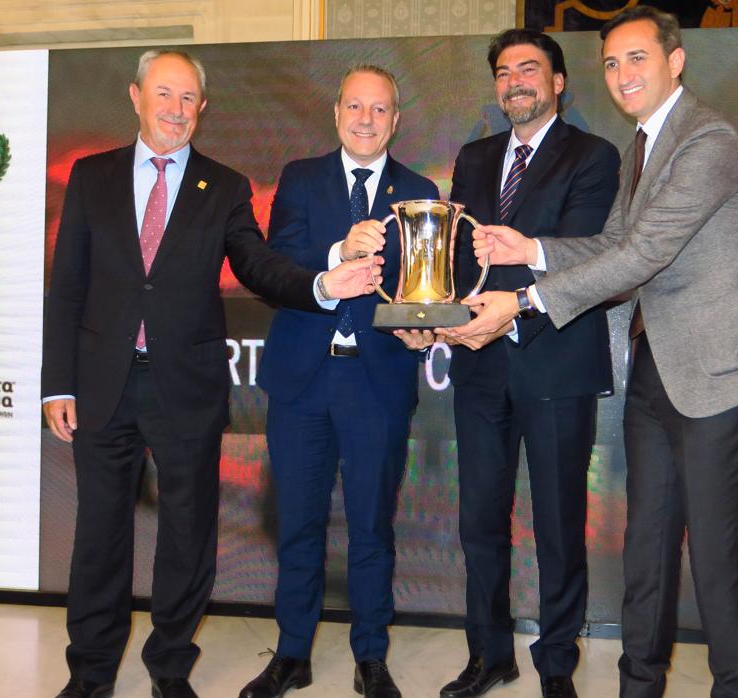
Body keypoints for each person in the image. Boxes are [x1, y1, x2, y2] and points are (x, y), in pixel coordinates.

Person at [458, 8, 738, 698]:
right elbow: (611, 242)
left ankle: (735, 685)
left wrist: (523, 300)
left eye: (635, 58)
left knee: (717, 557)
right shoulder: (642, 146)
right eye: (610, 63)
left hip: (720, 377)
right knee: (644, 548)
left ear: (675, 62)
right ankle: (638, 685)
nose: (621, 74)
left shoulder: (710, 140)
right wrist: (532, 250)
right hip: (654, 372)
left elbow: (642, 254)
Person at [41, 50, 382, 698]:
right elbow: (67, 289)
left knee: (188, 537)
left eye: (189, 98)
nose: (176, 109)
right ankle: (89, 675)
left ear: (203, 108)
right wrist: (57, 382)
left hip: (186, 388)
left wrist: (321, 283)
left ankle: (169, 668)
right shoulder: (91, 177)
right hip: (101, 385)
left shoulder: (222, 187)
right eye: (164, 94)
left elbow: (259, 266)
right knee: (98, 539)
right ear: (136, 95)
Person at [401, 28, 620, 698]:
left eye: (529, 68)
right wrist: (430, 322)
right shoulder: (473, 157)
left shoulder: (594, 155)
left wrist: (522, 265)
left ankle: (556, 668)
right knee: (478, 521)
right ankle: (488, 655)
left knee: (556, 526)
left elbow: (588, 252)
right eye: (502, 71)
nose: (514, 80)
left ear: (558, 83)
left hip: (555, 361)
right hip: (479, 366)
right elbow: (457, 260)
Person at [240, 65, 438, 698]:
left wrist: (427, 327)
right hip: (302, 379)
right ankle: (292, 653)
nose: (366, 119)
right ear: (336, 113)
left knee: (372, 526)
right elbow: (275, 263)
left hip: (377, 383)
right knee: (297, 523)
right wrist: (338, 251)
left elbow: (423, 292)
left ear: (396, 120)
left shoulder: (419, 191)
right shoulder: (300, 178)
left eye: (380, 110)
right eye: (356, 106)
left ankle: (370, 656)